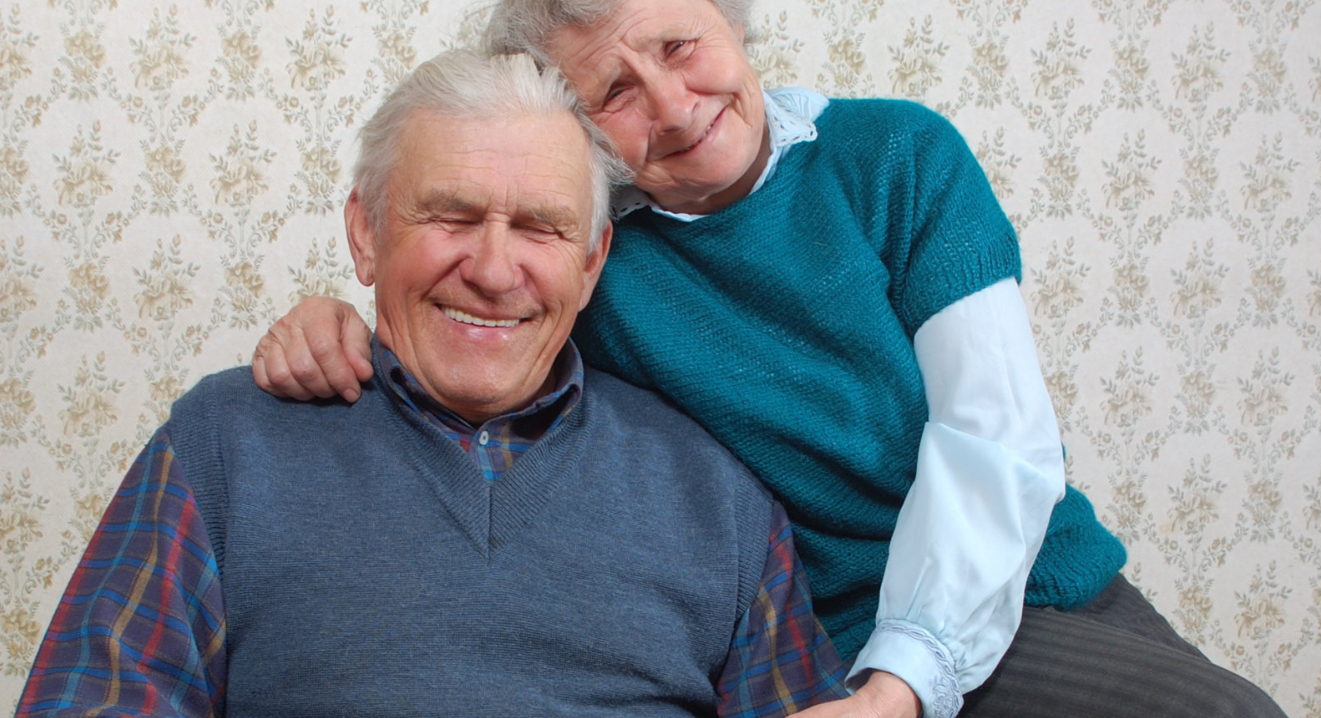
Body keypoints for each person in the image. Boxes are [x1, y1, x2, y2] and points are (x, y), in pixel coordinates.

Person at [253, 1, 1290, 716]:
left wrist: (904, 682)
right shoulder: (592, 253)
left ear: (729, 19)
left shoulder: (898, 159)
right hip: (812, 647)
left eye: (677, 42)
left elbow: (992, 438)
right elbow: (464, 327)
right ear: (580, 134)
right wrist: (333, 321)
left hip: (1024, 585)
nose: (668, 102)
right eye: (612, 90)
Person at [15, 50, 852, 718]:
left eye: (540, 227)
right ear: (366, 234)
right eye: (451, 216)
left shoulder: (716, 494)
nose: (493, 270)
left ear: (593, 261)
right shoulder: (224, 450)